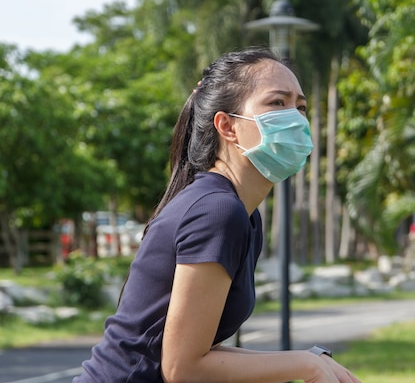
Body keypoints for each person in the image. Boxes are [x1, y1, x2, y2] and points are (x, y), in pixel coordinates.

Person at [73, 48, 361, 383]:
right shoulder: (218, 211)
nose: (296, 119)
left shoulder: (242, 214)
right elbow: (183, 368)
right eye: (277, 103)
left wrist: (309, 362)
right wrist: (304, 366)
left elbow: (200, 354)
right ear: (227, 126)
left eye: (300, 107)